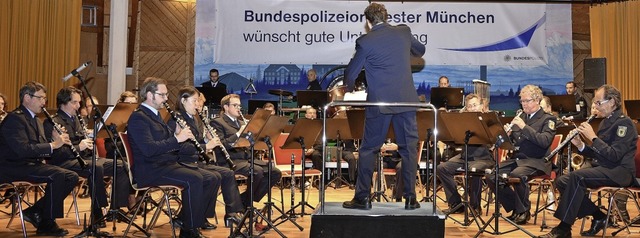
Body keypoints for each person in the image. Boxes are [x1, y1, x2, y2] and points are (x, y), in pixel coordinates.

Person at [342, 2, 425, 210]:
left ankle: (362, 197)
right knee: (408, 150)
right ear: (386, 16)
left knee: (369, 148)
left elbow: (351, 74)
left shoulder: (365, 41)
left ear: (368, 22)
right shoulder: (403, 32)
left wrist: (348, 87)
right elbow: (420, 50)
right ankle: (411, 198)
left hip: (379, 103)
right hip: (405, 101)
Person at [538, 85, 638, 238]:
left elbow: (614, 155)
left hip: (620, 171)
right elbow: (599, 154)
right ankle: (599, 216)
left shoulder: (624, 124)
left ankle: (563, 228)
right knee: (562, 181)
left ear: (611, 102)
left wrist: (593, 137)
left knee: (577, 177)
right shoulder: (605, 122)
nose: (596, 106)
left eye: (599, 102)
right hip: (605, 167)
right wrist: (581, 145)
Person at [127, 77, 217, 238]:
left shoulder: (155, 115)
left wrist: (177, 135)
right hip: (150, 169)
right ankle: (189, 231)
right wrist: (177, 139)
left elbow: (165, 142)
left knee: (208, 177)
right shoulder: (139, 117)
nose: (166, 98)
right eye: (162, 95)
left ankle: (191, 221)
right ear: (149, 95)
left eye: (166, 94)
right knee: (194, 178)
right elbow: (148, 149)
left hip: (165, 164)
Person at [43, 86, 132, 227]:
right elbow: (57, 152)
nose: (78, 106)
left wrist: (89, 136)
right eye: (75, 102)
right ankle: (98, 211)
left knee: (121, 165)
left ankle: (115, 208)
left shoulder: (77, 119)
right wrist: (80, 146)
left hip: (84, 159)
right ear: (63, 103)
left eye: (79, 103)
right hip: (64, 161)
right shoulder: (53, 122)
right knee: (95, 167)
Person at [0, 82, 79, 236]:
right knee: (59, 175)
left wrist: (55, 140)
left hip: (29, 165)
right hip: (13, 168)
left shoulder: (36, 120)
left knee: (71, 176)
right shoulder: (14, 119)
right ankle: (47, 223)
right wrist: (53, 145)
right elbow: (22, 150)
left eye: (45, 98)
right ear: (27, 98)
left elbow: (40, 147)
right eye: (41, 98)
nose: (44, 102)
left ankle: (35, 211)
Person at [167, 86, 244, 229]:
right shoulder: (177, 118)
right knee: (211, 177)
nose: (198, 105)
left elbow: (196, 144)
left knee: (226, 173)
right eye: (194, 101)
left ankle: (223, 214)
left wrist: (208, 141)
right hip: (181, 162)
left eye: (198, 101)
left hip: (194, 159)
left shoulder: (193, 119)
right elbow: (178, 147)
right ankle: (193, 217)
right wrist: (206, 147)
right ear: (183, 101)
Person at [485, 84, 556, 225]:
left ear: (537, 100)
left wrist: (524, 127)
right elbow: (512, 144)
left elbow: (544, 141)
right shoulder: (521, 116)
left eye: (527, 101)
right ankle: (515, 208)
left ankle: (524, 211)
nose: (523, 104)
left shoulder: (548, 119)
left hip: (537, 161)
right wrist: (507, 135)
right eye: (522, 101)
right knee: (492, 175)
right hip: (519, 159)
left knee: (517, 175)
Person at [211, 94, 282, 209]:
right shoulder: (217, 122)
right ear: (226, 107)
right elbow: (221, 144)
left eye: (239, 105)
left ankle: (243, 200)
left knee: (275, 172)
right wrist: (239, 133)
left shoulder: (241, 122)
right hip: (229, 161)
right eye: (235, 105)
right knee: (257, 171)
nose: (238, 108)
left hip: (246, 159)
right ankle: (245, 204)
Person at [437, 94, 495, 215]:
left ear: (481, 106)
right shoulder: (464, 122)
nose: (472, 108)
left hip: (483, 158)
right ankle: (456, 204)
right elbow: (456, 141)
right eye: (469, 106)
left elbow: (494, 141)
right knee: (442, 168)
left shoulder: (489, 120)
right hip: (465, 156)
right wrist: (444, 136)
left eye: (475, 105)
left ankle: (475, 206)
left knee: (473, 169)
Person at [304, 107, 358, 188]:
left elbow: (323, 143)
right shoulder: (302, 126)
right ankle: (315, 181)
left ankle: (352, 182)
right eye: (310, 113)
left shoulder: (322, 126)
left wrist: (313, 149)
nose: (312, 115)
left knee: (351, 158)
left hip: (321, 149)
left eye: (314, 113)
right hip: (304, 149)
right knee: (313, 155)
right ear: (306, 115)